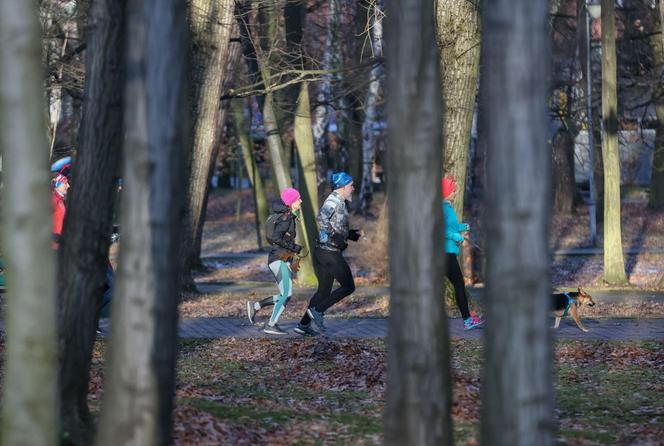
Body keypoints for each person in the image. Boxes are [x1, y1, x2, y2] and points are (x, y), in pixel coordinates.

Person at [294, 172, 361, 336]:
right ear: (344, 186)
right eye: (351, 185)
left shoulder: (340, 201)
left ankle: (303, 325)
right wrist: (335, 236)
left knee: (323, 291)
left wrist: (348, 234)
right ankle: (318, 310)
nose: (353, 188)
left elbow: (334, 225)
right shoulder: (334, 200)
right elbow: (322, 219)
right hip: (329, 252)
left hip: (324, 251)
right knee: (348, 286)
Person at [246, 187, 303, 335]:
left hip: (281, 259)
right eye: (298, 199)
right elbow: (276, 238)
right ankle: (270, 325)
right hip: (279, 259)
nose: (300, 201)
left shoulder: (286, 215)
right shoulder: (286, 217)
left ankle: (256, 306)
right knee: (287, 294)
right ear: (291, 202)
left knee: (285, 294)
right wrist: (294, 247)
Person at [441, 176, 484, 330]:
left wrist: (461, 227)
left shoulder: (447, 207)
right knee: (459, 285)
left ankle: (467, 319)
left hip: (449, 252)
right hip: (444, 254)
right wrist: (456, 236)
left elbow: (450, 227)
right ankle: (467, 321)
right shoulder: (442, 208)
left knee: (458, 285)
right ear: (446, 192)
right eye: (453, 190)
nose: (455, 193)